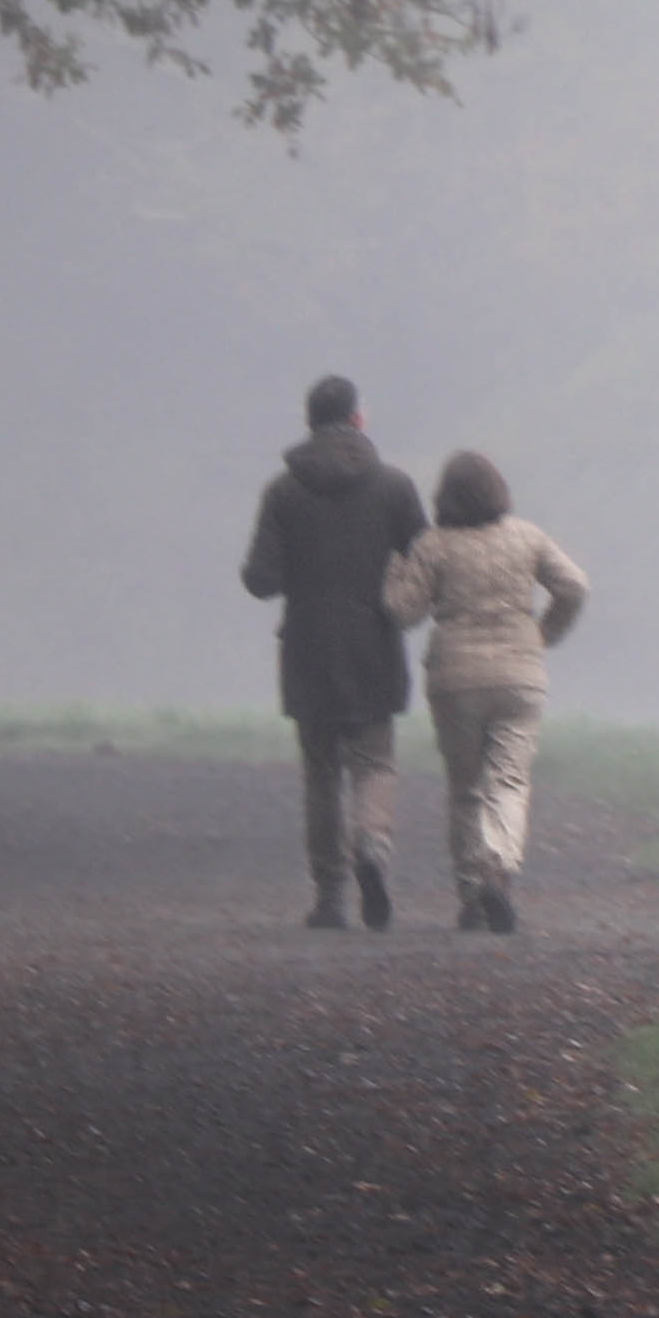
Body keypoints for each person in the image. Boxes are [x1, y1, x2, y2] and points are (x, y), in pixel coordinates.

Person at [238, 374, 424, 930]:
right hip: (374, 644)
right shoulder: (395, 488)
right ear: (358, 420)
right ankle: (372, 842)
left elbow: (261, 579)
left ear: (309, 423)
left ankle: (329, 897)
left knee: (320, 775)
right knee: (373, 763)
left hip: (308, 649)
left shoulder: (282, 491)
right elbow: (425, 562)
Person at [382, 451, 588, 934]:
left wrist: (394, 570)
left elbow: (403, 612)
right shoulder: (527, 537)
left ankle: (472, 893)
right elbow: (574, 586)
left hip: (455, 678)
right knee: (509, 781)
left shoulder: (434, 546)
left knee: (465, 789)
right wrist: (545, 634)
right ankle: (499, 862)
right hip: (520, 675)